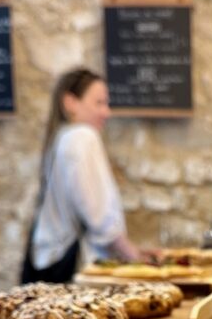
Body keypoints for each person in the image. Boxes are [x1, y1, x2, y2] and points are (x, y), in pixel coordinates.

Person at [21, 67, 142, 284]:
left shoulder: (61, 137)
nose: (107, 112)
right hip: (73, 267)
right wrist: (134, 256)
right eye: (99, 103)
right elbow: (98, 215)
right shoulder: (82, 137)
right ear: (70, 102)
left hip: (47, 262)